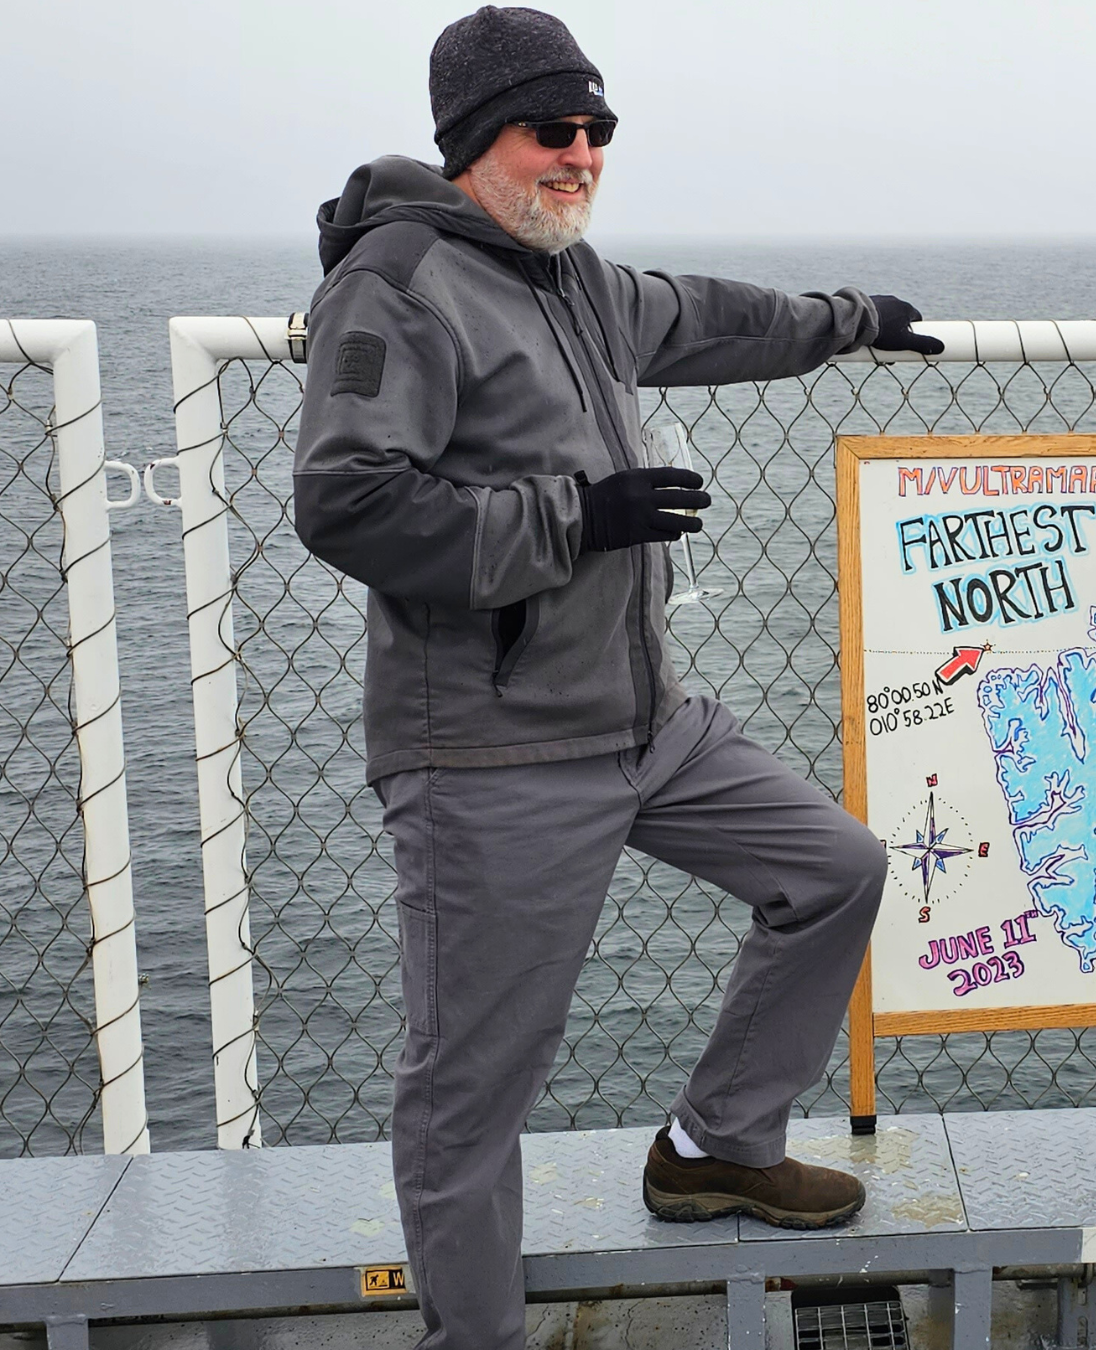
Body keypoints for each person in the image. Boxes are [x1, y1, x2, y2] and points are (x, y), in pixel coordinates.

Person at [291, 8, 945, 1347]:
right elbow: (345, 501)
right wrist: (569, 522)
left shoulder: (570, 275)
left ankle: (714, 1143)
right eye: (553, 131)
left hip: (645, 723)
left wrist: (852, 319)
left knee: (834, 866)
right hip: (494, 749)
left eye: (598, 131)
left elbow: (706, 316)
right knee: (473, 1087)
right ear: (480, 142)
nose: (581, 154)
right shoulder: (399, 281)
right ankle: (473, 1336)